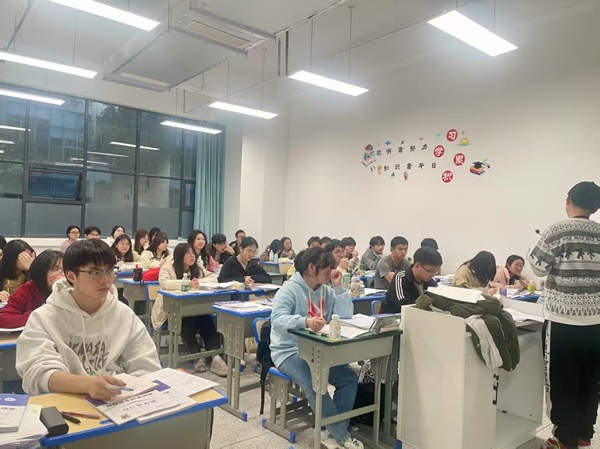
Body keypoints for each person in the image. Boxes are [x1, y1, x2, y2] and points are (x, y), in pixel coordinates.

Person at [15, 239, 160, 398]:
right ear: (71, 276)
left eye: (110, 270)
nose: (105, 280)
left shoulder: (124, 315)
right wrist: (88, 385)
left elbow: (147, 367)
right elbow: (37, 372)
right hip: (64, 402)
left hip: (115, 401)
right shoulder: (44, 317)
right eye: (95, 272)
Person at [528, 181, 600, 449]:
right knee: (590, 383)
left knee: (561, 385)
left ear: (568, 199)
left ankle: (564, 441)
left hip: (564, 323)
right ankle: (583, 437)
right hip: (597, 324)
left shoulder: (557, 230)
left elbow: (537, 267)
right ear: (595, 208)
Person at [270, 248, 363, 449]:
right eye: (326, 268)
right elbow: (276, 320)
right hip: (289, 351)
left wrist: (338, 288)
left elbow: (345, 314)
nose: (330, 272)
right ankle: (341, 436)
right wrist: (305, 321)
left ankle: (333, 431)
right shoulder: (289, 290)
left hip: (319, 349)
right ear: (311, 268)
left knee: (348, 378)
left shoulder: (326, 290)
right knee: (315, 382)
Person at [151, 243, 226, 376]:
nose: (192, 256)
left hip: (194, 308)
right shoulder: (168, 268)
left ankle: (215, 357)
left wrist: (199, 283)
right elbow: (165, 283)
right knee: (185, 322)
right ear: (180, 255)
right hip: (170, 312)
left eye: (193, 253)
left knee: (207, 321)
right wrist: (187, 284)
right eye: (188, 253)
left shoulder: (197, 267)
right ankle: (197, 357)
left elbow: (213, 278)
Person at [0, 250, 64, 329]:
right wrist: (38, 315)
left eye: (65, 270)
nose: (63, 275)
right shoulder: (25, 290)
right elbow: (3, 319)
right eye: (55, 269)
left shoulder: (71, 290)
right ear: (41, 272)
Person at [382, 247, 442, 313]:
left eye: (435, 271)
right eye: (430, 271)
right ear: (417, 265)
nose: (432, 275)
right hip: (396, 315)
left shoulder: (429, 281)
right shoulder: (401, 278)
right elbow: (403, 304)